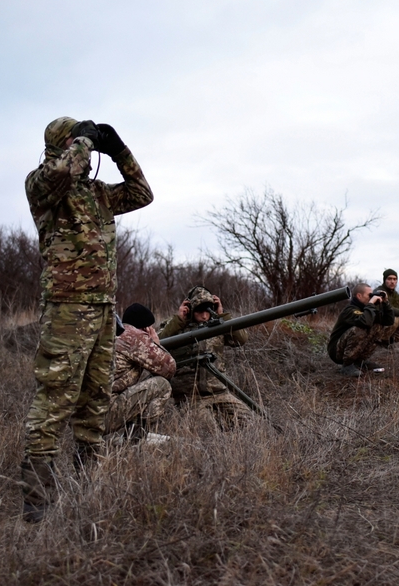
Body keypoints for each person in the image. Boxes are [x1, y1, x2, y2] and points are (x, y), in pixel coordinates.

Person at [20, 117, 154, 522]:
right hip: (66, 308)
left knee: (95, 401)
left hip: (100, 310)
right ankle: (37, 504)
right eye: (79, 143)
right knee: (55, 399)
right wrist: (82, 140)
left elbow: (142, 193)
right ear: (63, 145)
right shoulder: (42, 185)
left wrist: (118, 150)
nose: (87, 149)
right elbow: (61, 169)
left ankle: (85, 488)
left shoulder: (97, 194)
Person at [157, 286, 252, 428]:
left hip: (218, 392)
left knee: (249, 422)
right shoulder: (175, 325)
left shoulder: (217, 325)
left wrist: (222, 315)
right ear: (190, 309)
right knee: (206, 429)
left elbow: (241, 339)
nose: (204, 316)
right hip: (190, 396)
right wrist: (179, 320)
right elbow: (156, 343)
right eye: (199, 311)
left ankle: (219, 419)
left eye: (208, 310)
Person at [105, 303, 176, 439]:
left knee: (144, 382)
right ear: (146, 328)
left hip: (88, 414)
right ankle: (135, 439)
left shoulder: (112, 332)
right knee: (162, 385)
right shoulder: (135, 336)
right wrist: (155, 343)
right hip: (106, 415)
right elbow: (169, 368)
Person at [327, 282, 397, 376]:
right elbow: (365, 322)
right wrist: (371, 303)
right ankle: (347, 365)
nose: (371, 297)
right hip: (337, 351)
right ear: (359, 296)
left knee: (378, 326)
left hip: (346, 348)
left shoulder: (367, 309)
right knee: (361, 327)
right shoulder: (350, 310)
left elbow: (388, 321)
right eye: (369, 295)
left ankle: (359, 362)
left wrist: (385, 302)